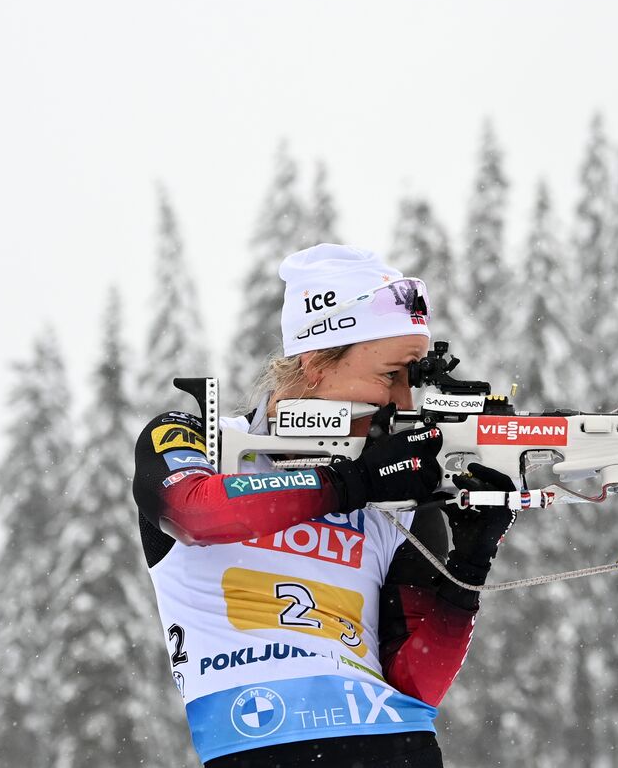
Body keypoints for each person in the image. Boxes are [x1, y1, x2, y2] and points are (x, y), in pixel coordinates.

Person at [133, 243, 515, 767]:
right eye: (390, 375)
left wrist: (469, 567)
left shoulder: (403, 495)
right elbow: (193, 512)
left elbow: (414, 685)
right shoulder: (199, 441)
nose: (404, 402)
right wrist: (353, 481)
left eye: (414, 380)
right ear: (314, 363)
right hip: (260, 743)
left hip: (397, 748)